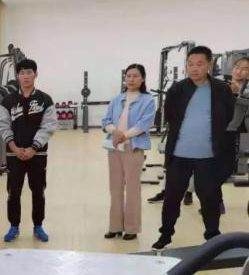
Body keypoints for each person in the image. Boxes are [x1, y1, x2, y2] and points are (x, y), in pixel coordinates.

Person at [152, 46, 235, 250]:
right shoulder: (178, 89)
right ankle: (165, 234)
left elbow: (229, 118)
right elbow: (170, 115)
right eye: (190, 64)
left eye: (199, 64)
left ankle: (213, 236)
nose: (194, 68)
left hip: (208, 156)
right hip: (179, 154)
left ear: (209, 65)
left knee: (209, 198)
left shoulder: (221, 89)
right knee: (172, 198)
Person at [0, 58, 58, 242]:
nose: (25, 76)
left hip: (37, 155)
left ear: (35, 74)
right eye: (22, 73)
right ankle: (13, 226)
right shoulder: (8, 101)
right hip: (14, 154)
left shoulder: (45, 100)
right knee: (13, 192)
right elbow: (3, 125)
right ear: (18, 76)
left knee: (38, 191)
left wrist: (33, 147)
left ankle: (38, 226)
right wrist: (13, 146)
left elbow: (49, 125)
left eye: (29, 72)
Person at [101, 64, 156, 240]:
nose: (131, 79)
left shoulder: (148, 100)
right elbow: (106, 121)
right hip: (114, 147)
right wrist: (114, 131)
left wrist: (124, 135)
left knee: (132, 188)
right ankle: (115, 226)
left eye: (135, 76)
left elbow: (144, 123)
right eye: (128, 76)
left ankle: (131, 228)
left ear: (142, 79)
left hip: (133, 147)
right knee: (115, 187)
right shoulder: (117, 99)